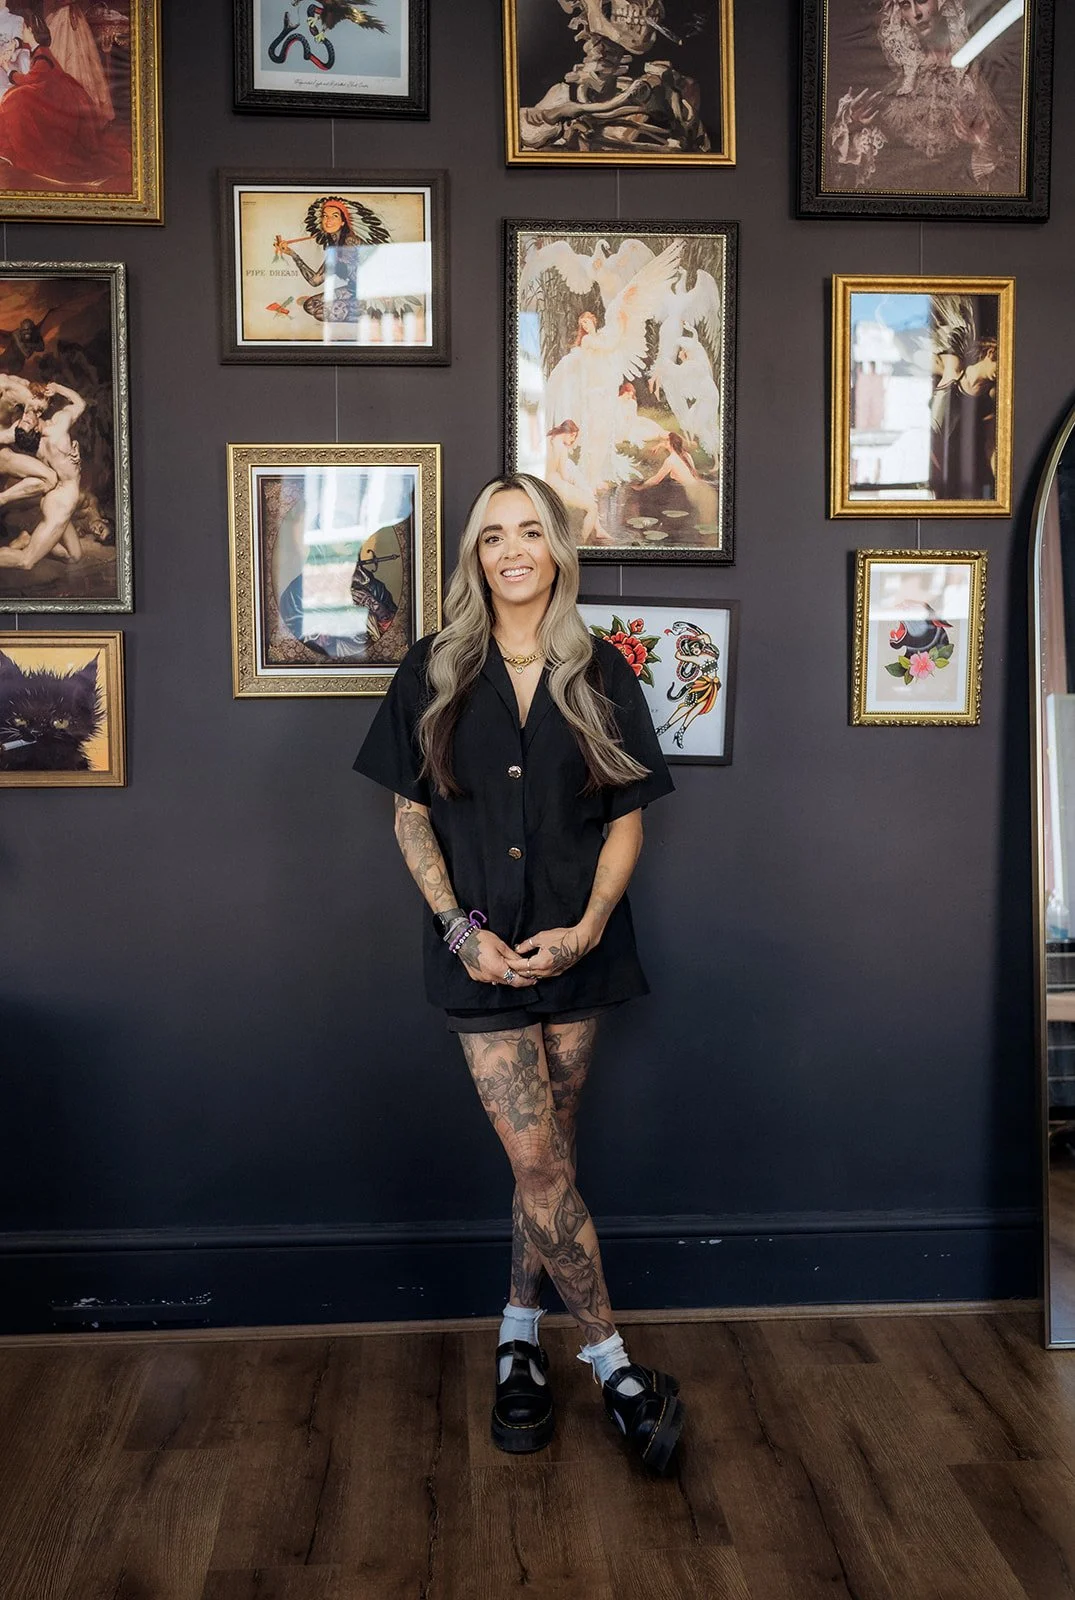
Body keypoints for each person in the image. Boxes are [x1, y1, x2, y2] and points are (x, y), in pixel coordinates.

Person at [353, 473, 685, 1473]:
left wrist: (585, 928)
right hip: (482, 962)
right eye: (493, 535)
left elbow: (628, 815)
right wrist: (459, 931)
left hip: (579, 956)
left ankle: (514, 1335)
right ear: (475, 556)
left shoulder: (603, 673)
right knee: (541, 1165)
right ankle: (613, 1363)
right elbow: (409, 812)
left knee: (547, 1167)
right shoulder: (431, 670)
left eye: (529, 531)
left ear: (556, 551)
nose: (511, 550)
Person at [0, 380, 85, 568]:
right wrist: (59, 388)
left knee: (75, 556)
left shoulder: (27, 437)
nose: (27, 416)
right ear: (34, 430)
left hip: (55, 495)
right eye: (26, 420)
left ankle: (27, 539)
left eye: (29, 416)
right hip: (61, 502)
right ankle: (30, 544)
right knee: (26, 561)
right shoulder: (58, 427)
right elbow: (80, 404)